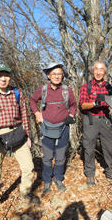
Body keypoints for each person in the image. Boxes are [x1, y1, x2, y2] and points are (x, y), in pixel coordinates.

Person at [0, 63, 39, 217]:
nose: (3, 79)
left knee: (29, 167)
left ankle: (25, 193)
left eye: (6, 75)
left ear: (10, 76)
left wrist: (28, 136)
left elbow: (24, 116)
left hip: (18, 134)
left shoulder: (18, 93)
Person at [30, 62, 77, 194]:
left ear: (63, 75)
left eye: (59, 74)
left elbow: (73, 104)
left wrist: (71, 114)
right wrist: (37, 113)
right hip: (46, 128)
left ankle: (58, 179)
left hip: (63, 128)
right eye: (53, 74)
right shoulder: (43, 90)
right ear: (48, 75)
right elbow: (32, 101)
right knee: (47, 157)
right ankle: (47, 182)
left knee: (61, 157)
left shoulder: (67, 90)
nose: (56, 76)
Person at [79, 61, 112, 187]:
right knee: (89, 147)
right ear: (93, 71)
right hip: (90, 119)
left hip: (105, 119)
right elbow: (83, 105)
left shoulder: (108, 87)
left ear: (105, 72)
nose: (98, 72)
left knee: (110, 146)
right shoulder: (86, 86)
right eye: (96, 69)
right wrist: (95, 103)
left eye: (101, 69)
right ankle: (90, 174)